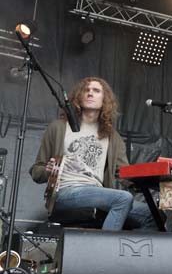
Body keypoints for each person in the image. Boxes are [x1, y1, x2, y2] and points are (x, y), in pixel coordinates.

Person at [30, 77, 156, 230]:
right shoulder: (59, 127)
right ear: (79, 97)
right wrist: (48, 170)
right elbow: (36, 171)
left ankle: (122, 252)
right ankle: (103, 251)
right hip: (65, 192)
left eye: (96, 91)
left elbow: (124, 174)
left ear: (105, 100)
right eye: (86, 90)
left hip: (99, 193)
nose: (90, 93)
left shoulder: (112, 137)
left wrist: (154, 181)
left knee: (153, 216)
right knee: (123, 198)